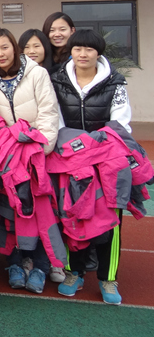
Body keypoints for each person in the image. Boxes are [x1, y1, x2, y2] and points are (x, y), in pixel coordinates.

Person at [51, 30, 131, 305]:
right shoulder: (58, 81)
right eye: (77, 49)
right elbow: (57, 121)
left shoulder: (115, 83)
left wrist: (93, 146)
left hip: (107, 160)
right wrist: (77, 150)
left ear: (98, 53)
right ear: (70, 51)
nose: (82, 54)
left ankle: (108, 278)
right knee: (73, 215)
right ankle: (74, 273)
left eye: (88, 49)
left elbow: (120, 124)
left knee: (111, 221)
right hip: (72, 161)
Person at [0, 28, 60, 293]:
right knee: (10, 211)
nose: (0, 54)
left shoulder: (36, 73)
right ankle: (14, 263)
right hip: (7, 156)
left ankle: (40, 266)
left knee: (40, 210)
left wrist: (41, 149)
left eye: (4, 47)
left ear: (15, 48)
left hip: (37, 154)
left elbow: (49, 112)